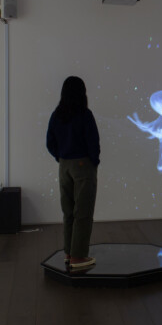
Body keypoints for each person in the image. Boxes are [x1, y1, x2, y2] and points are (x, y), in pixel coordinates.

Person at [46, 76, 100, 271]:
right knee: (83, 213)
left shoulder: (56, 115)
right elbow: (93, 142)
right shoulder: (85, 114)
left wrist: (60, 158)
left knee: (68, 212)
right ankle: (78, 256)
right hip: (82, 165)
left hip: (64, 166)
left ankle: (68, 253)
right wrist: (93, 161)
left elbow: (49, 143)